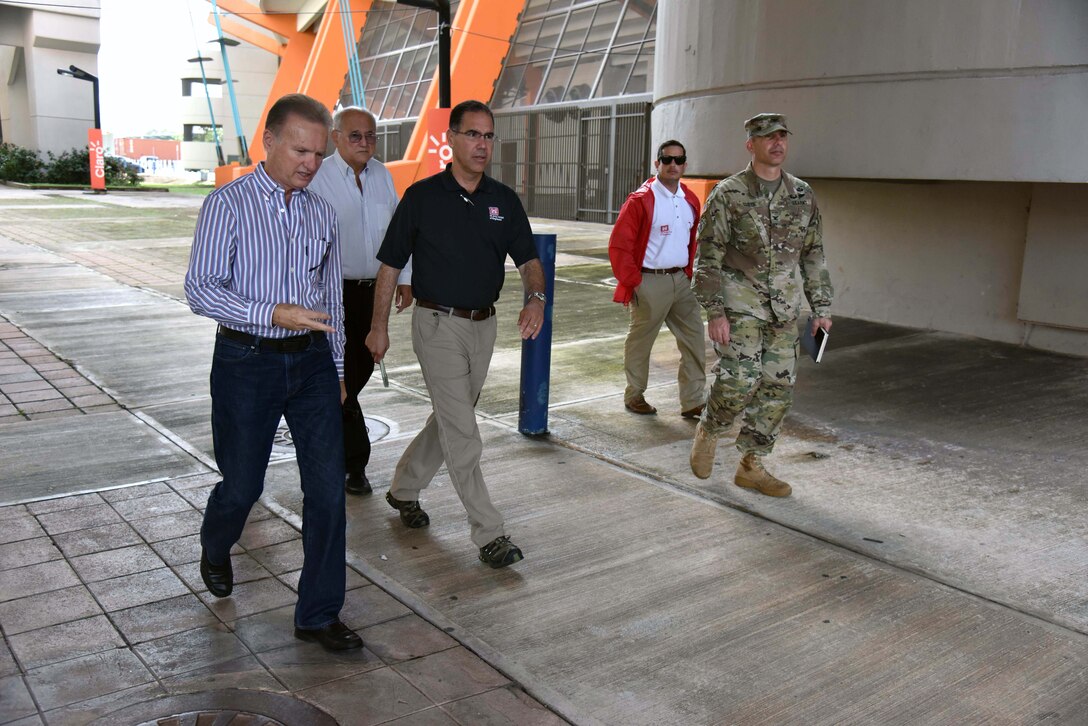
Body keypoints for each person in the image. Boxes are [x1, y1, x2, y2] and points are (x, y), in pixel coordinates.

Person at [184, 93, 362, 651]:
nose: (310, 163)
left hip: (310, 363)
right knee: (241, 487)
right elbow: (199, 290)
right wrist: (271, 313)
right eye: (300, 150)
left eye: (318, 154)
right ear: (270, 141)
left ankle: (317, 613)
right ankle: (217, 543)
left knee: (328, 492)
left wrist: (335, 368)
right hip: (244, 362)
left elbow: (328, 293)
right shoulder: (227, 206)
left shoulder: (320, 212)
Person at [366, 99, 545, 569]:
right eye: (472, 134)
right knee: (464, 432)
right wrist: (378, 326)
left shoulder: (503, 200)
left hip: (484, 326)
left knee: (452, 417)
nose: (481, 144)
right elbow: (388, 265)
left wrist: (535, 298)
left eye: (488, 136)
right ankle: (489, 533)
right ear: (451, 138)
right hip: (437, 323)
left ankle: (403, 488)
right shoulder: (423, 197)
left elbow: (528, 260)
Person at [689, 113, 834, 498]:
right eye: (768, 137)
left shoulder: (802, 195)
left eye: (782, 135)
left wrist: (821, 306)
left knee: (778, 388)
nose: (777, 143)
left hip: (784, 307)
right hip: (741, 302)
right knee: (739, 379)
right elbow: (708, 256)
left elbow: (813, 253)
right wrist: (715, 311)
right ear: (750, 144)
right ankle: (711, 428)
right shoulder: (729, 193)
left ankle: (752, 464)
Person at [308, 106, 412, 497]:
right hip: (332, 292)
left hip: (377, 291)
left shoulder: (383, 175)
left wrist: (405, 279)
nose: (365, 143)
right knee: (341, 376)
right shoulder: (318, 176)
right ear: (335, 137)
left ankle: (341, 455)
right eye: (355, 135)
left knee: (360, 368)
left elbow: (398, 234)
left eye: (371, 135)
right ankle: (353, 463)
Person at [609, 140, 706, 418]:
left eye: (678, 160)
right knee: (641, 342)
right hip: (650, 281)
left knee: (694, 339)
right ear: (657, 164)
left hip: (682, 281)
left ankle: (693, 401)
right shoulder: (641, 199)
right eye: (667, 160)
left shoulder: (689, 199)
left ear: (685, 164)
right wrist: (634, 282)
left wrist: (688, 275)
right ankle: (635, 395)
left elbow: (691, 241)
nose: (673, 165)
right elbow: (619, 246)